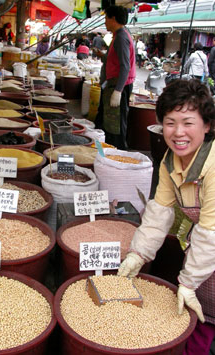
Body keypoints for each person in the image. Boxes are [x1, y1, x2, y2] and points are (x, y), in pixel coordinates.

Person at [118, 79, 215, 355]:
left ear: (206, 125)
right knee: (200, 307)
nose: (178, 132)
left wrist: (187, 282)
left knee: (204, 305)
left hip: (210, 238)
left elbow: (210, 234)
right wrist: (139, 253)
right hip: (206, 243)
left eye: (188, 122)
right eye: (170, 122)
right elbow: (159, 212)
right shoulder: (170, 161)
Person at [95, 5, 136, 150]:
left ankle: (119, 155)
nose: (104, 22)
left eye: (106, 18)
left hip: (119, 86)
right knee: (106, 122)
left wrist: (118, 91)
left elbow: (126, 66)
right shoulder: (118, 35)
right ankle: (104, 151)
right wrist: (103, 56)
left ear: (113, 18)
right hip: (113, 84)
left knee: (116, 126)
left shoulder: (121, 37)